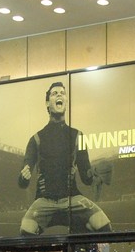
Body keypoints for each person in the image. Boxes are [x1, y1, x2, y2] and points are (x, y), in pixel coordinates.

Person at [17, 81, 112, 235]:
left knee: (103, 224)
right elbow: (22, 181)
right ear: (48, 103)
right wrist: (24, 176)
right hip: (44, 201)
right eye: (55, 93)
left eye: (62, 93)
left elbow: (86, 178)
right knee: (25, 231)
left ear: (66, 101)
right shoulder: (36, 139)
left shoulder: (77, 136)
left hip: (72, 198)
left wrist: (94, 174)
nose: (59, 95)